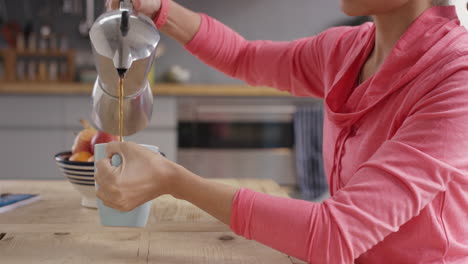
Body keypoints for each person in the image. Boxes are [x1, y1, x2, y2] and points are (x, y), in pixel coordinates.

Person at [97, 0, 468, 263]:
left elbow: (333, 235)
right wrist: (161, 10)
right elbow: (243, 57)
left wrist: (174, 181)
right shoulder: (347, 49)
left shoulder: (456, 79)